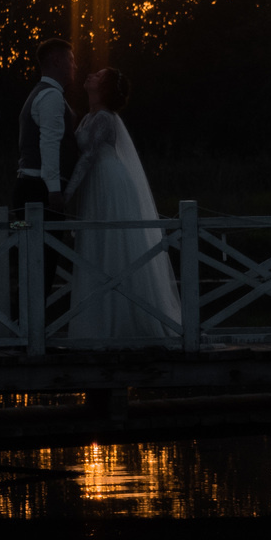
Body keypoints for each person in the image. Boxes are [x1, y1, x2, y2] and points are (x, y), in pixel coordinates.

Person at [64, 67, 182, 343]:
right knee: (99, 245)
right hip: (97, 183)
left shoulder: (105, 118)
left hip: (108, 182)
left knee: (114, 244)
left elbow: (88, 157)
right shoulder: (89, 118)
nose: (91, 75)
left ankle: (123, 319)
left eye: (97, 75)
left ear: (103, 88)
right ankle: (101, 317)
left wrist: (66, 194)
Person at [12, 40, 78, 223]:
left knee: (29, 246)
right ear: (57, 61)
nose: (75, 66)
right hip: (38, 192)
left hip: (32, 188)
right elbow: (50, 144)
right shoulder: (51, 96)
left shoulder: (42, 92)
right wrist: (54, 191)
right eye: (71, 60)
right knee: (42, 248)